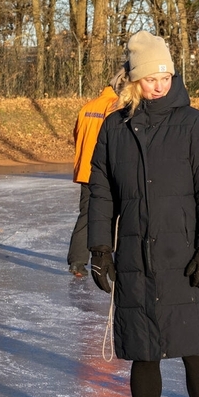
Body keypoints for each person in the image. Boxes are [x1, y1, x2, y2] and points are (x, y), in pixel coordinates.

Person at [87, 31, 199, 397]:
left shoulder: (194, 124)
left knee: (194, 349)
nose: (161, 84)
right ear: (134, 80)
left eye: (166, 75)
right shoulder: (115, 128)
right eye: (152, 77)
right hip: (136, 256)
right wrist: (99, 249)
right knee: (143, 352)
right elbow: (100, 193)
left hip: (184, 255)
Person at [67, 73, 122, 276]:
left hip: (85, 169)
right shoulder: (115, 106)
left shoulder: (88, 107)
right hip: (105, 171)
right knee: (111, 214)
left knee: (86, 215)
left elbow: (77, 134)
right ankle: (109, 257)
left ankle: (77, 261)